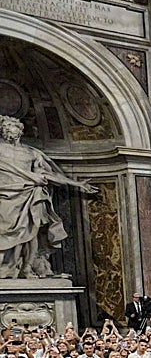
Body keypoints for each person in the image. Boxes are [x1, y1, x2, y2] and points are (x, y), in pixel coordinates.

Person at [0, 115, 97, 278]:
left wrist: (77, 184)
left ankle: (27, 267)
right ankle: (7, 268)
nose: (9, 130)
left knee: (32, 231)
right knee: (4, 230)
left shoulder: (31, 153)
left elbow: (46, 174)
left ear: (20, 130)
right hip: (5, 195)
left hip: (30, 194)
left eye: (12, 127)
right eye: (6, 127)